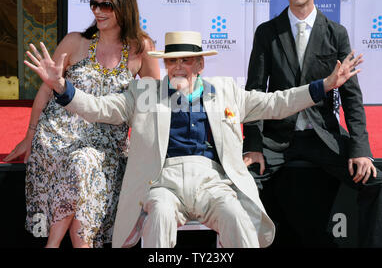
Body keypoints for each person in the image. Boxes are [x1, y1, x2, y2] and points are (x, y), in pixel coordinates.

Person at [23, 30, 362, 248]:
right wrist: (62, 87)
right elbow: (97, 108)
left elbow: (278, 103)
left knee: (237, 218)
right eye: (173, 61)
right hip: (162, 181)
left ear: (200, 63)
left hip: (214, 181)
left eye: (186, 60)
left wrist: (325, 85)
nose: (179, 67)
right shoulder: (144, 92)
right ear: (165, 65)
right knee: (158, 215)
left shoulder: (227, 91)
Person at [4, 0, 160, 248]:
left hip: (106, 138)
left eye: (106, 5)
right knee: (80, 164)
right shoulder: (75, 41)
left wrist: (143, 142)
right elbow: (46, 90)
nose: (97, 11)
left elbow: (150, 102)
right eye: (94, 4)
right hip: (58, 135)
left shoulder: (141, 48)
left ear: (124, 8)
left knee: (83, 162)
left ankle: (53, 245)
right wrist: (29, 135)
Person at [243, 0, 382, 247]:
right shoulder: (267, 33)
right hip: (277, 137)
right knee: (241, 187)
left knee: (375, 181)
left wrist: (360, 149)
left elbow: (352, 99)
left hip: (323, 138)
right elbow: (253, 94)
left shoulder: (336, 34)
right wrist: (253, 147)